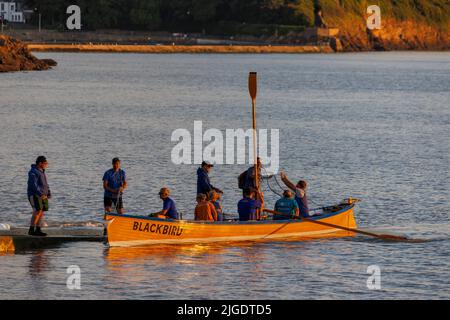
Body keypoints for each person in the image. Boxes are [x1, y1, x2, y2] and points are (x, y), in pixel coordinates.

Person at [27, 156, 51, 236]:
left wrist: (48, 192)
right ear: (40, 163)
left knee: (41, 212)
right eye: (45, 163)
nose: (46, 165)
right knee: (37, 211)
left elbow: (45, 184)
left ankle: (38, 229)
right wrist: (40, 194)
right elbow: (33, 185)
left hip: (43, 195)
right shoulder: (33, 171)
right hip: (35, 195)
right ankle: (31, 230)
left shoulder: (42, 171)